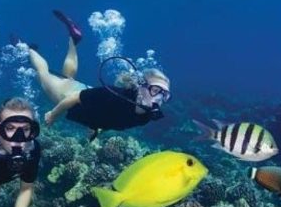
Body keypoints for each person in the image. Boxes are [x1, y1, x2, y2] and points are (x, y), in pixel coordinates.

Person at [27, 10, 172, 138]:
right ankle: (28, 49)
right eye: (155, 90)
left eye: (165, 95)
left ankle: (73, 40)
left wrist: (98, 127)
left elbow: (115, 118)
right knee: (43, 76)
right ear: (140, 87)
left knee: (68, 78)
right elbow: (75, 97)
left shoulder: (145, 117)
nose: (160, 98)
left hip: (84, 97)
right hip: (69, 96)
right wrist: (53, 115)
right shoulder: (114, 95)